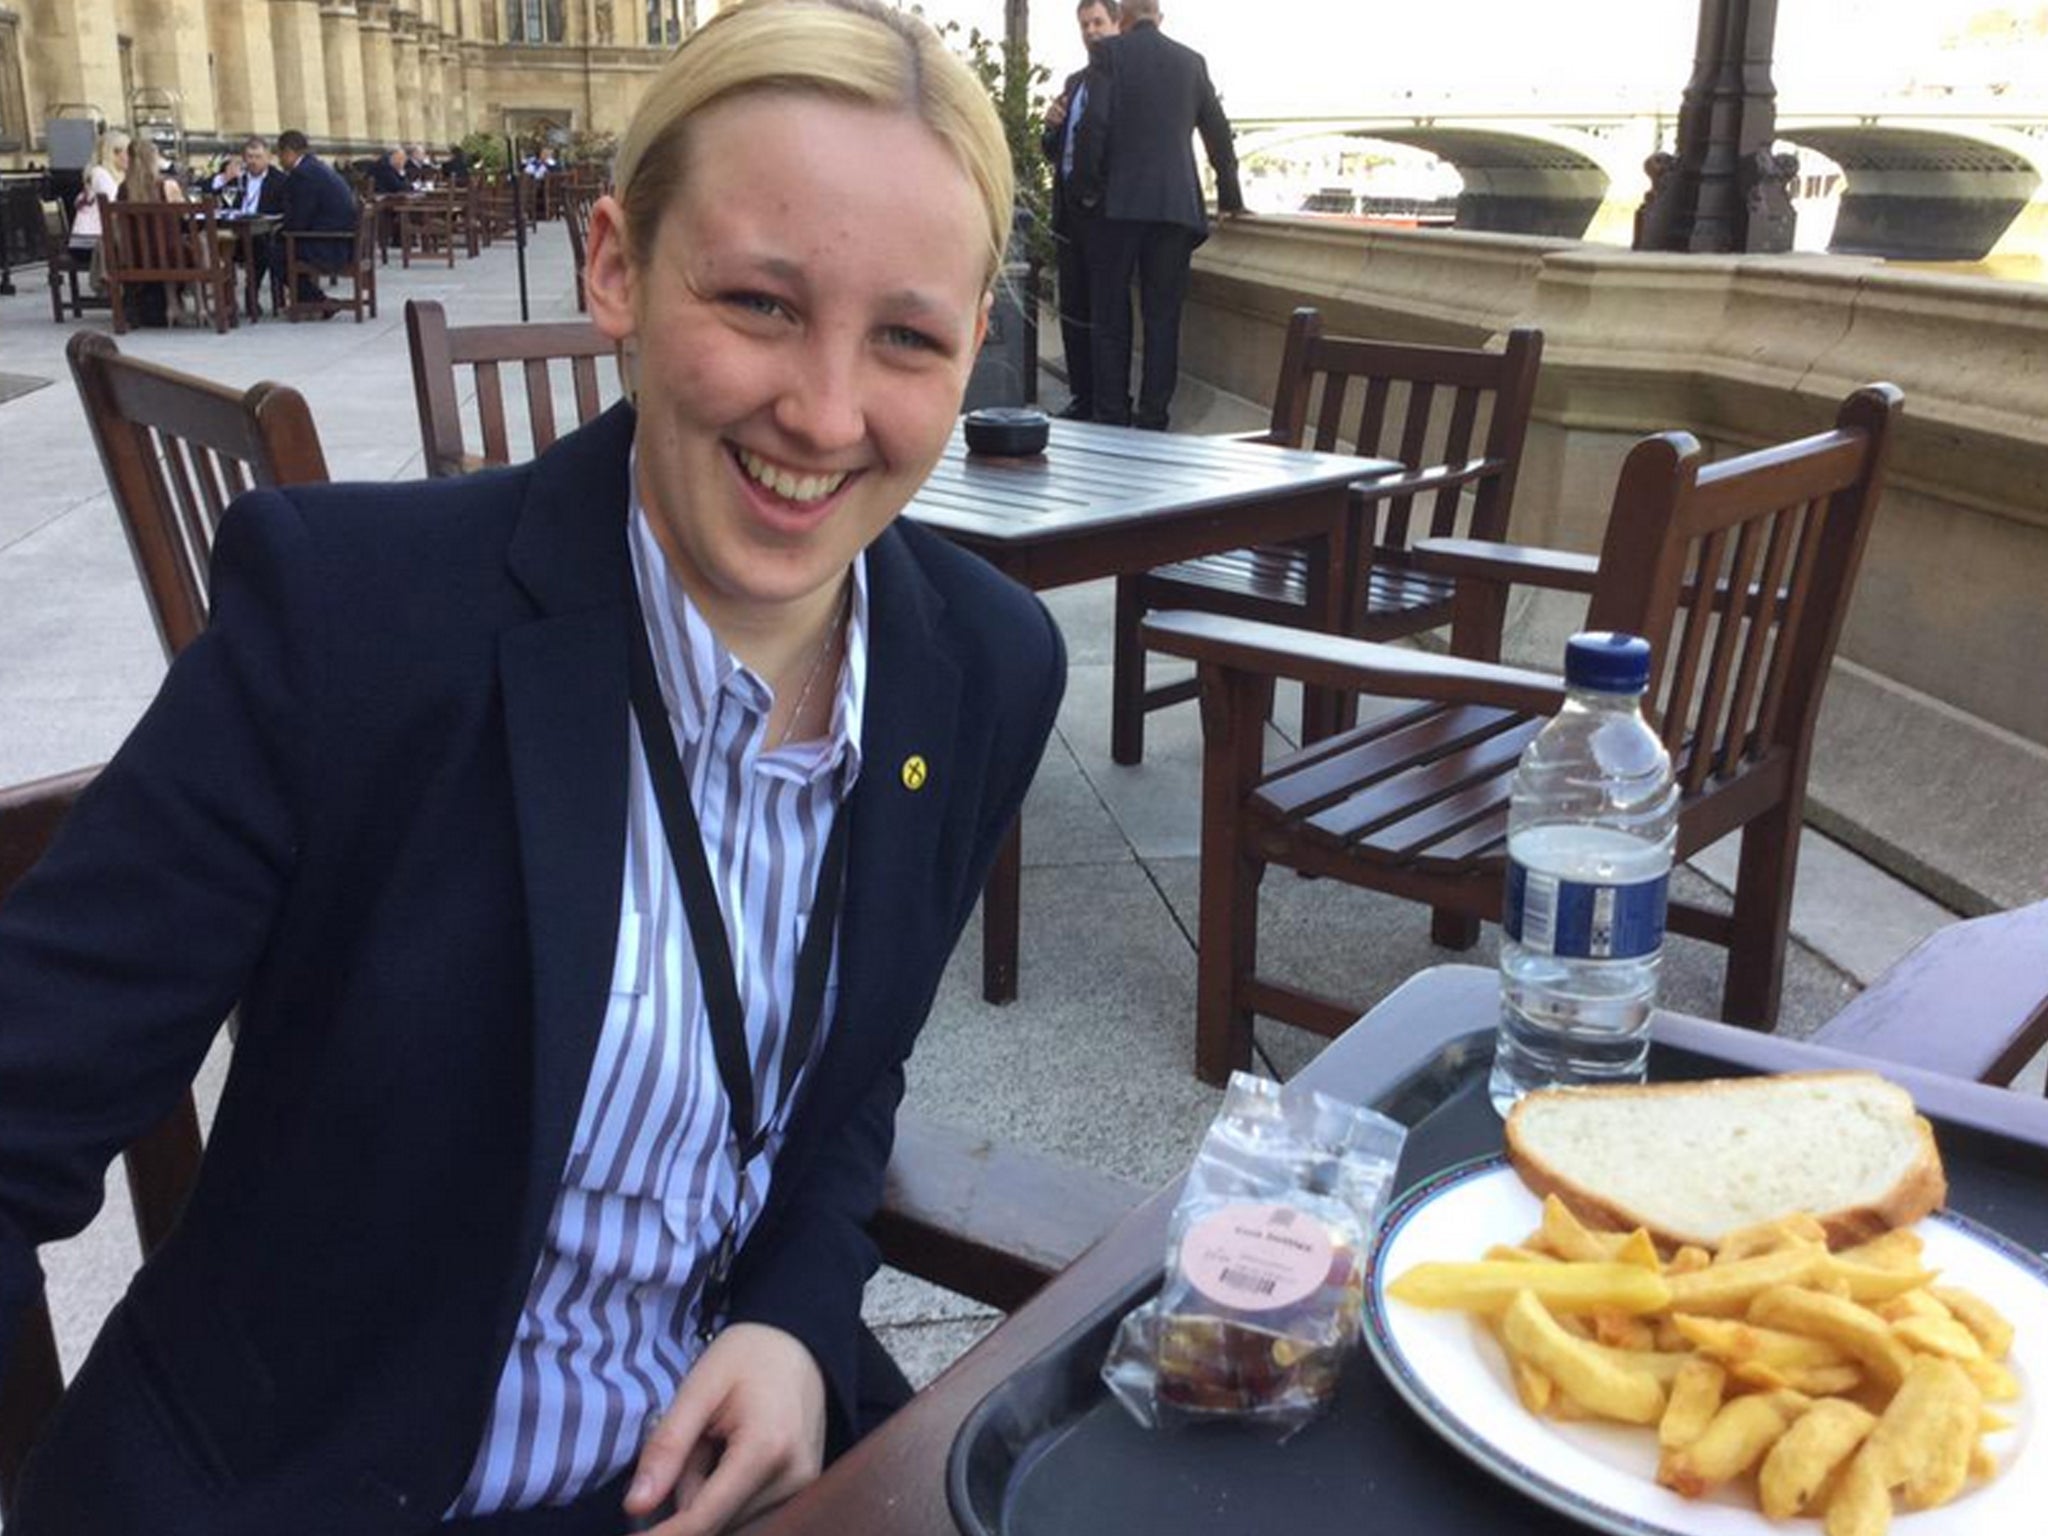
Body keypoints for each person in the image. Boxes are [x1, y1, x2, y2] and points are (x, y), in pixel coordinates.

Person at [0, 2, 1061, 1533]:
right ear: (616, 267)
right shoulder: (353, 620)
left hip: (725, 1472)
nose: (826, 414)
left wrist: (794, 1317)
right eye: (760, 303)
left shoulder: (982, 668)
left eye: (907, 335)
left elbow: (847, 1082)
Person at [1073, 0, 1244, 430]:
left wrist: (1087, 191)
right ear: (1158, 17)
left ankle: (1112, 415)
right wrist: (1230, 197)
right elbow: (1218, 134)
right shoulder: (1191, 62)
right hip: (1175, 208)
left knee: (1111, 317)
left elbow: (1094, 126)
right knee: (1163, 318)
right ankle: (1154, 417)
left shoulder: (1110, 54)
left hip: (1119, 208)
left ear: (1123, 20)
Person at [1040, 0, 1120, 422]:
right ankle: (1081, 397)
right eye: (1085, 24)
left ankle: (1106, 405)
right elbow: (1053, 151)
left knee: (1104, 314)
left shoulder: (1126, 80)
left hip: (1106, 218)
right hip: (1067, 215)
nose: (1091, 31)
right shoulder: (1075, 81)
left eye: (1098, 22)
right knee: (1073, 308)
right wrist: (1051, 125)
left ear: (1117, 24)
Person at [271, 127, 360, 311]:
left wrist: (280, 230)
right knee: (281, 245)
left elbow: (299, 221)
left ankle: (317, 302)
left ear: (288, 153)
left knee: (275, 253)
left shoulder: (303, 174)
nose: (279, 161)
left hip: (331, 245)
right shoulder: (315, 167)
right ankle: (309, 301)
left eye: (279, 155)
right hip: (342, 240)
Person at [115, 134, 188, 328]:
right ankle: (193, 305)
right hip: (171, 257)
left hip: (135, 258)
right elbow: (184, 219)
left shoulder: (123, 190)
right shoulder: (167, 185)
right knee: (199, 246)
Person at [64, 127, 129, 270]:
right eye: (128, 152)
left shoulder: (113, 175)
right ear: (114, 153)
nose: (131, 158)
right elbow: (115, 207)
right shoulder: (100, 174)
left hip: (99, 240)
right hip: (88, 243)